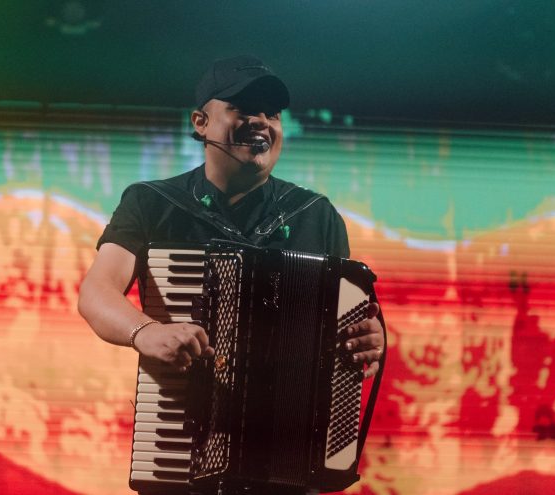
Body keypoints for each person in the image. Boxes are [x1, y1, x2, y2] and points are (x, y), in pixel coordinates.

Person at [77, 55, 385, 492]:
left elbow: (345, 330)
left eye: (272, 112)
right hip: (183, 446)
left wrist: (364, 343)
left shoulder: (317, 215)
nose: (261, 121)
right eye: (243, 108)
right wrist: (145, 331)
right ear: (201, 122)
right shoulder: (151, 203)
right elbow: (96, 292)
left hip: (290, 463)